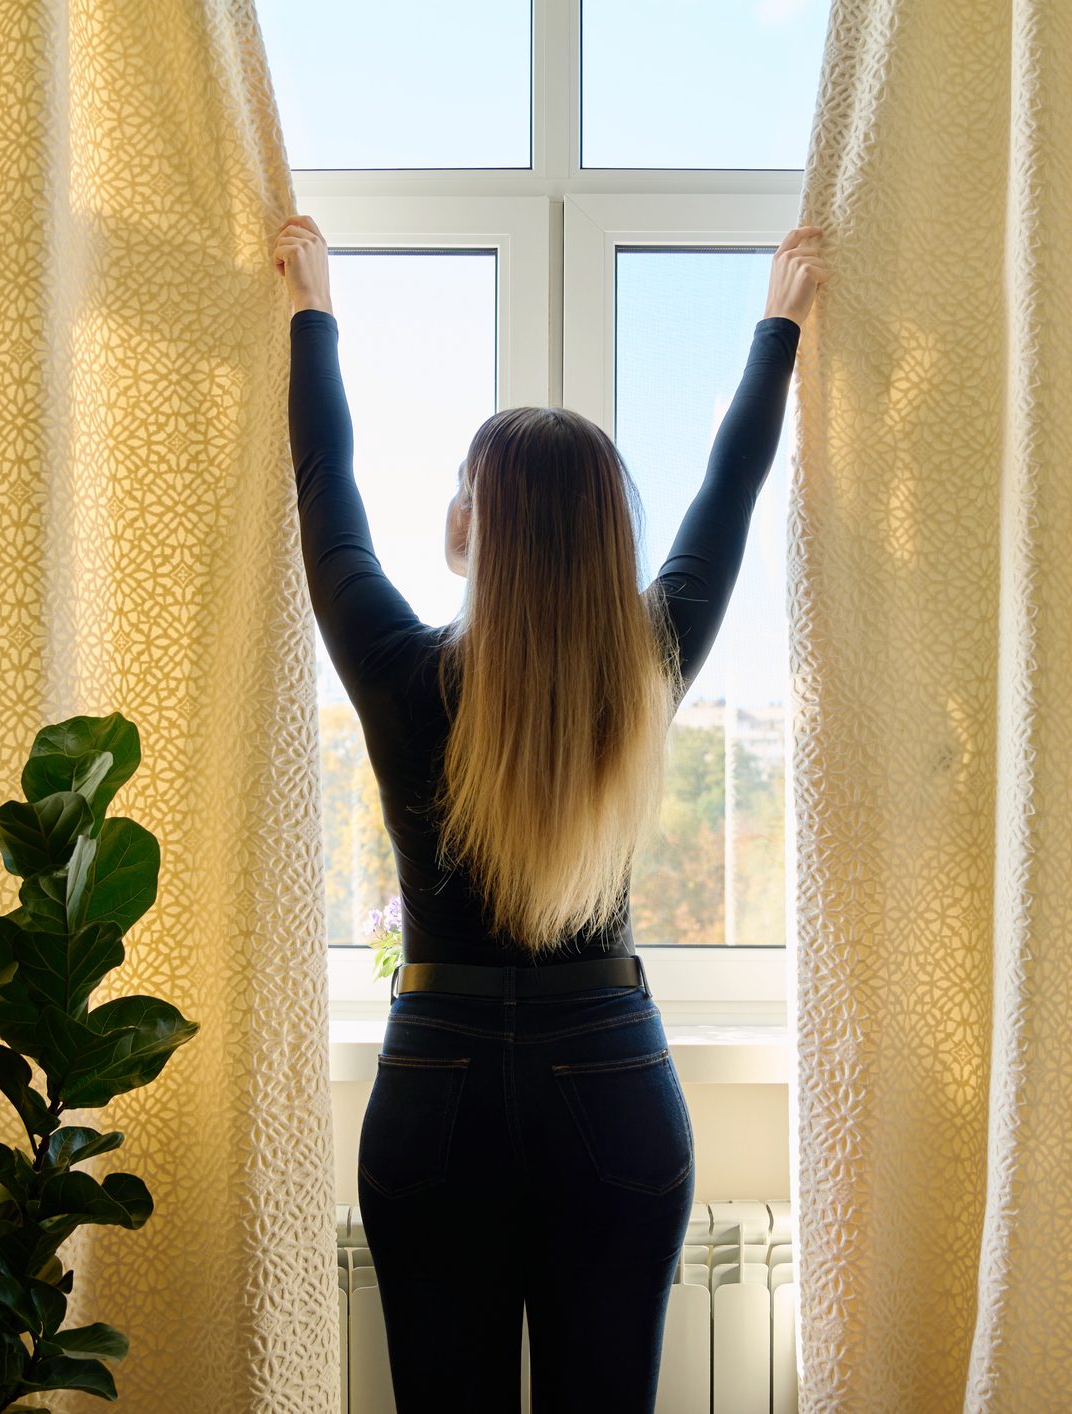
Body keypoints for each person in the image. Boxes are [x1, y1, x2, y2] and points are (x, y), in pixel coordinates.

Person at [275, 213, 827, 1413]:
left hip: (438, 1084)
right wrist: (777, 328)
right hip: (610, 1081)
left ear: (472, 525)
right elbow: (728, 493)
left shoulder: (397, 671)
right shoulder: (648, 665)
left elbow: (327, 494)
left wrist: (313, 312)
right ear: (602, 539)